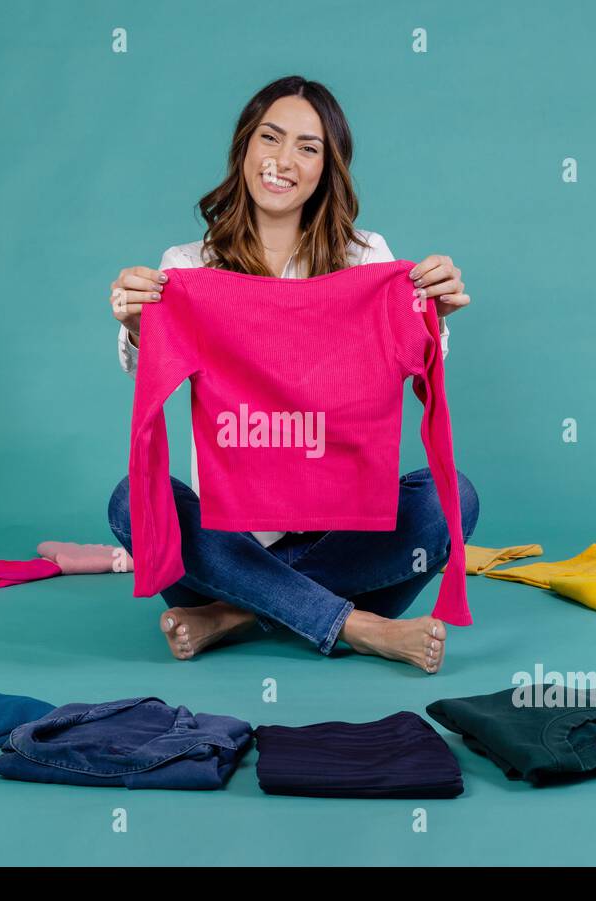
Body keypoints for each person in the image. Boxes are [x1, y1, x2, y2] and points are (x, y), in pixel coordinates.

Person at [107, 75, 477, 674]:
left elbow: (409, 363)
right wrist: (134, 325)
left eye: (307, 147)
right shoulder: (188, 266)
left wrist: (435, 317)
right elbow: (150, 370)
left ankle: (235, 616)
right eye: (270, 138)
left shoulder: (365, 257)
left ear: (328, 168)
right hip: (227, 542)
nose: (283, 161)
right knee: (131, 501)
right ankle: (355, 624)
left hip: (340, 536)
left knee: (451, 496)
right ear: (245, 148)